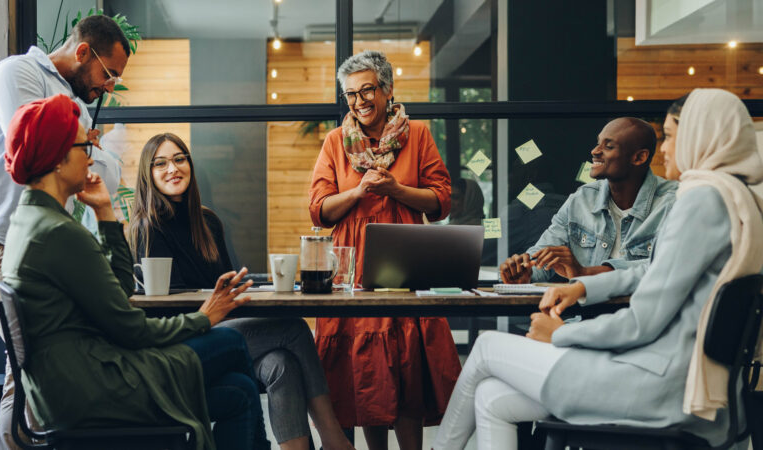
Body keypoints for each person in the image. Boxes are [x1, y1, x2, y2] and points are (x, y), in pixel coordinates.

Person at [432, 88, 763, 449]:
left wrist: (557, 334)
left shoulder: (700, 199)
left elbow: (642, 321)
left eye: (669, 136)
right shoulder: (741, 199)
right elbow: (655, 270)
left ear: (703, 134)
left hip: (656, 383)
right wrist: (585, 287)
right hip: (684, 381)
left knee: (485, 347)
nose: (665, 149)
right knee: (491, 397)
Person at [0, 94, 269, 450]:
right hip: (94, 387)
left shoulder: (29, 222)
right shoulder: (57, 233)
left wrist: (106, 214)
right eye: (85, 145)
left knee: (241, 391)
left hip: (65, 387)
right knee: (231, 341)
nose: (91, 156)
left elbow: (120, 290)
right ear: (58, 159)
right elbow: (130, 327)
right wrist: (204, 318)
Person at [0, 15, 131, 449]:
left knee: (33, 356)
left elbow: (104, 179)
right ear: (82, 52)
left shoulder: (69, 96)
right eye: (108, 73)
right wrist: (85, 145)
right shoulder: (17, 73)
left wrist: (85, 149)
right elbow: (32, 151)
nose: (110, 86)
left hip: (38, 247)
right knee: (32, 355)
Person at [130, 133, 353, 450]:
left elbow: (227, 289)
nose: (172, 168)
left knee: (281, 364)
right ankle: (333, 437)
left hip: (222, 328)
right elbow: (170, 309)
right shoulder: (147, 227)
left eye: (179, 159)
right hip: (186, 340)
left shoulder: (208, 221)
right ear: (148, 174)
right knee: (294, 329)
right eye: (160, 163)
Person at [308, 50, 460, 450]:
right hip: (351, 265)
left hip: (407, 258)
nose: (359, 102)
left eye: (367, 91)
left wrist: (395, 189)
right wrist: (358, 192)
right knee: (361, 368)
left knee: (406, 363)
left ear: (387, 90)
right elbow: (319, 210)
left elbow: (440, 201)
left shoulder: (418, 134)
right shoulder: (335, 142)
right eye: (351, 94)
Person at [499, 117, 678, 284]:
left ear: (639, 157)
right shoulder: (581, 199)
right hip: (581, 316)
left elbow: (666, 268)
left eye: (608, 147)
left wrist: (585, 273)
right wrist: (526, 270)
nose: (595, 151)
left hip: (640, 316)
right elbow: (543, 253)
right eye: (597, 143)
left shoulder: (673, 203)